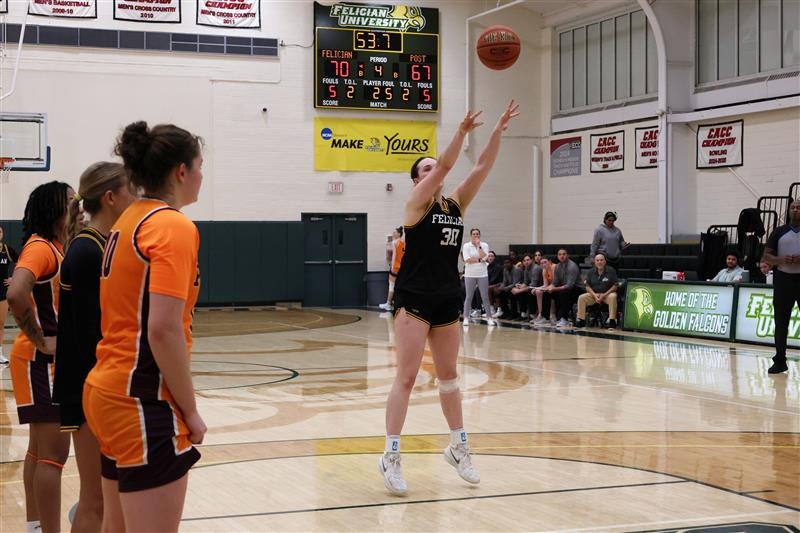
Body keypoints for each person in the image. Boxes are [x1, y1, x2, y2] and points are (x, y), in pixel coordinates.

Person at [381, 101, 519, 495]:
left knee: (449, 379)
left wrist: (497, 132)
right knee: (407, 377)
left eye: (432, 168)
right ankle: (391, 456)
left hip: (446, 297)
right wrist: (460, 133)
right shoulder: (414, 206)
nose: (433, 171)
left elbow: (482, 167)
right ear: (416, 181)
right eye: (424, 170)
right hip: (414, 298)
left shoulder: (455, 204)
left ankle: (458, 447)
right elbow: (445, 165)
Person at [83, 122, 207, 531]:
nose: (202, 176)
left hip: (108, 390)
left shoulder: (128, 218)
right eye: (200, 166)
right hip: (140, 399)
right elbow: (163, 329)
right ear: (181, 171)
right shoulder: (172, 226)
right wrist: (191, 411)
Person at [53, 162, 137, 532]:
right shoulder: (88, 251)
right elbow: (93, 334)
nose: (136, 196)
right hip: (88, 387)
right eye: (130, 189)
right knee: (95, 501)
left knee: (109, 499)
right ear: (110, 197)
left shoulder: (103, 245)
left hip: (96, 384)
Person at [7, 181, 74, 533]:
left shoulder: (54, 247)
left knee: (38, 451)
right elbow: (16, 293)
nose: (77, 207)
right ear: (54, 209)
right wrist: (39, 339)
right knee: (53, 456)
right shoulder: (41, 248)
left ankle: (34, 527)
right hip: (41, 362)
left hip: (40, 362)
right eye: (71, 201)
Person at [762, 199, 800, 374]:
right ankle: (779, 361)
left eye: (798, 207)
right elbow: (766, 256)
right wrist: (781, 260)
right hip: (783, 280)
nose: (795, 210)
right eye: (793, 207)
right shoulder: (778, 231)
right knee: (781, 322)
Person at [461, 228, 494, 326]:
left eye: (477, 234)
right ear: (471, 235)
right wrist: (479, 260)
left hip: (482, 274)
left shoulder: (484, 245)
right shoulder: (466, 245)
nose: (476, 235)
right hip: (470, 274)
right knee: (469, 296)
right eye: (474, 234)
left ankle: (489, 318)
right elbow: (467, 259)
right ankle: (466, 317)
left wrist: (479, 246)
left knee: (485, 297)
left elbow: (485, 257)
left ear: (480, 235)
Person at [575, 254, 619, 329]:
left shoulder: (611, 270)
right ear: (595, 262)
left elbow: (615, 286)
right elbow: (587, 286)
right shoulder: (591, 272)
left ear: (605, 261)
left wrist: (604, 295)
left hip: (607, 295)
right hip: (594, 295)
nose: (599, 262)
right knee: (581, 297)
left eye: (601, 260)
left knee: (613, 296)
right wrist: (595, 295)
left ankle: (612, 320)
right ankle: (581, 320)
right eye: (597, 260)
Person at [0, 225, 19, 364]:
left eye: (0, 231)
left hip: (2, 291)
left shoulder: (7, 249)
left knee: (0, 323)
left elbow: (22, 263)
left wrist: (14, 278)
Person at [380, 227, 405, 312]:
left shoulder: (394, 242)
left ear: (399, 234)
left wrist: (388, 245)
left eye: (395, 232)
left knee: (391, 286)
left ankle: (388, 304)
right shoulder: (404, 242)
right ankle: (398, 304)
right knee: (399, 286)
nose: (393, 234)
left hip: (395, 267)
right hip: (402, 268)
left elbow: (390, 256)